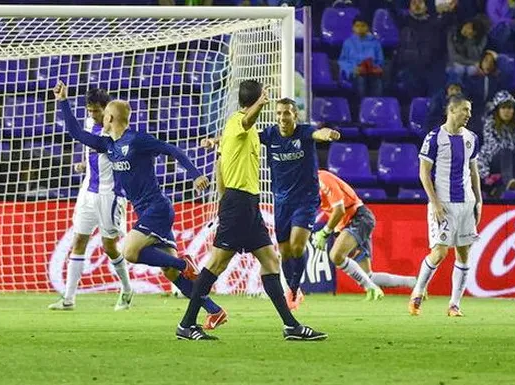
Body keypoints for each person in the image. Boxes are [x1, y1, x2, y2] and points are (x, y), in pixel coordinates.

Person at [53, 81, 228, 331]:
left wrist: (195, 174)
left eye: (104, 114)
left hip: (157, 209)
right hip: (146, 211)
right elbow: (77, 134)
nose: (100, 117)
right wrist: (62, 101)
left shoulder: (137, 141)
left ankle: (184, 264)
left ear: (110, 116)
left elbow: (171, 149)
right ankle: (215, 311)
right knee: (169, 271)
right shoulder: (108, 145)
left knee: (129, 251)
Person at [176, 80, 327, 341]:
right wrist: (226, 203)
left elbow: (222, 162)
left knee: (270, 261)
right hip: (237, 204)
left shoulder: (246, 131)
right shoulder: (239, 122)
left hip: (249, 205)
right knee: (216, 264)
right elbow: (245, 125)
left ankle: (291, 326)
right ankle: (187, 324)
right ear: (256, 101)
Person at [202, 98, 341, 310]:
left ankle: (294, 288)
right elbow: (238, 138)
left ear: (295, 115)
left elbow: (317, 134)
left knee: (297, 246)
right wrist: (216, 141)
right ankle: (292, 289)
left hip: (305, 200)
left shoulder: (304, 132)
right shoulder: (269, 134)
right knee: (284, 252)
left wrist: (327, 134)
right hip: (281, 201)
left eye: (286, 113)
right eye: (278, 113)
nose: (282, 118)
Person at [49, 89, 133, 311]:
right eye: (90, 111)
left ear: (107, 110)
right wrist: (87, 164)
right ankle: (68, 298)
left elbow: (112, 153)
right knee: (79, 240)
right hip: (88, 190)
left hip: (110, 194)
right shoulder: (90, 122)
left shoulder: (117, 132)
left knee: (109, 246)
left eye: (97, 111)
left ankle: (126, 289)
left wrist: (63, 102)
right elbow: (92, 147)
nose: (93, 115)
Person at [409, 95, 482, 317]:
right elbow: (424, 172)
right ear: (451, 110)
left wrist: (479, 201)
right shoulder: (434, 138)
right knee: (439, 252)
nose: (469, 114)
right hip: (444, 204)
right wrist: (435, 202)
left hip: (466, 203)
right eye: (464, 110)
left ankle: (454, 305)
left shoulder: (472, 138)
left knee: (463, 253)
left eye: (469, 110)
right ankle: (417, 293)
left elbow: (474, 171)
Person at [313, 170, 416, 300]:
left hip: (358, 217)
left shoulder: (323, 179)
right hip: (346, 223)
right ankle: (413, 283)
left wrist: (324, 232)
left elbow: (339, 210)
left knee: (336, 255)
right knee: (368, 276)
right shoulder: (305, 188)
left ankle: (370, 287)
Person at [477, 91, 515, 193]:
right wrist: (486, 175)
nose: (507, 111)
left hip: (514, 161)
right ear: (497, 110)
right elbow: (491, 149)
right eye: (503, 108)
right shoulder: (490, 125)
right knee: (506, 151)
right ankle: (509, 183)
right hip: (493, 162)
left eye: (509, 108)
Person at [338, 15, 384, 98]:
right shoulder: (348, 43)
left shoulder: (375, 43)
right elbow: (342, 61)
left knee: (377, 81)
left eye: (363, 26)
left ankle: (375, 104)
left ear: (368, 28)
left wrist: (376, 68)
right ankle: (361, 105)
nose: (360, 28)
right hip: (355, 73)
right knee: (361, 79)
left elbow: (380, 61)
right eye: (357, 26)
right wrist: (353, 69)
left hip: (371, 72)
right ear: (353, 28)